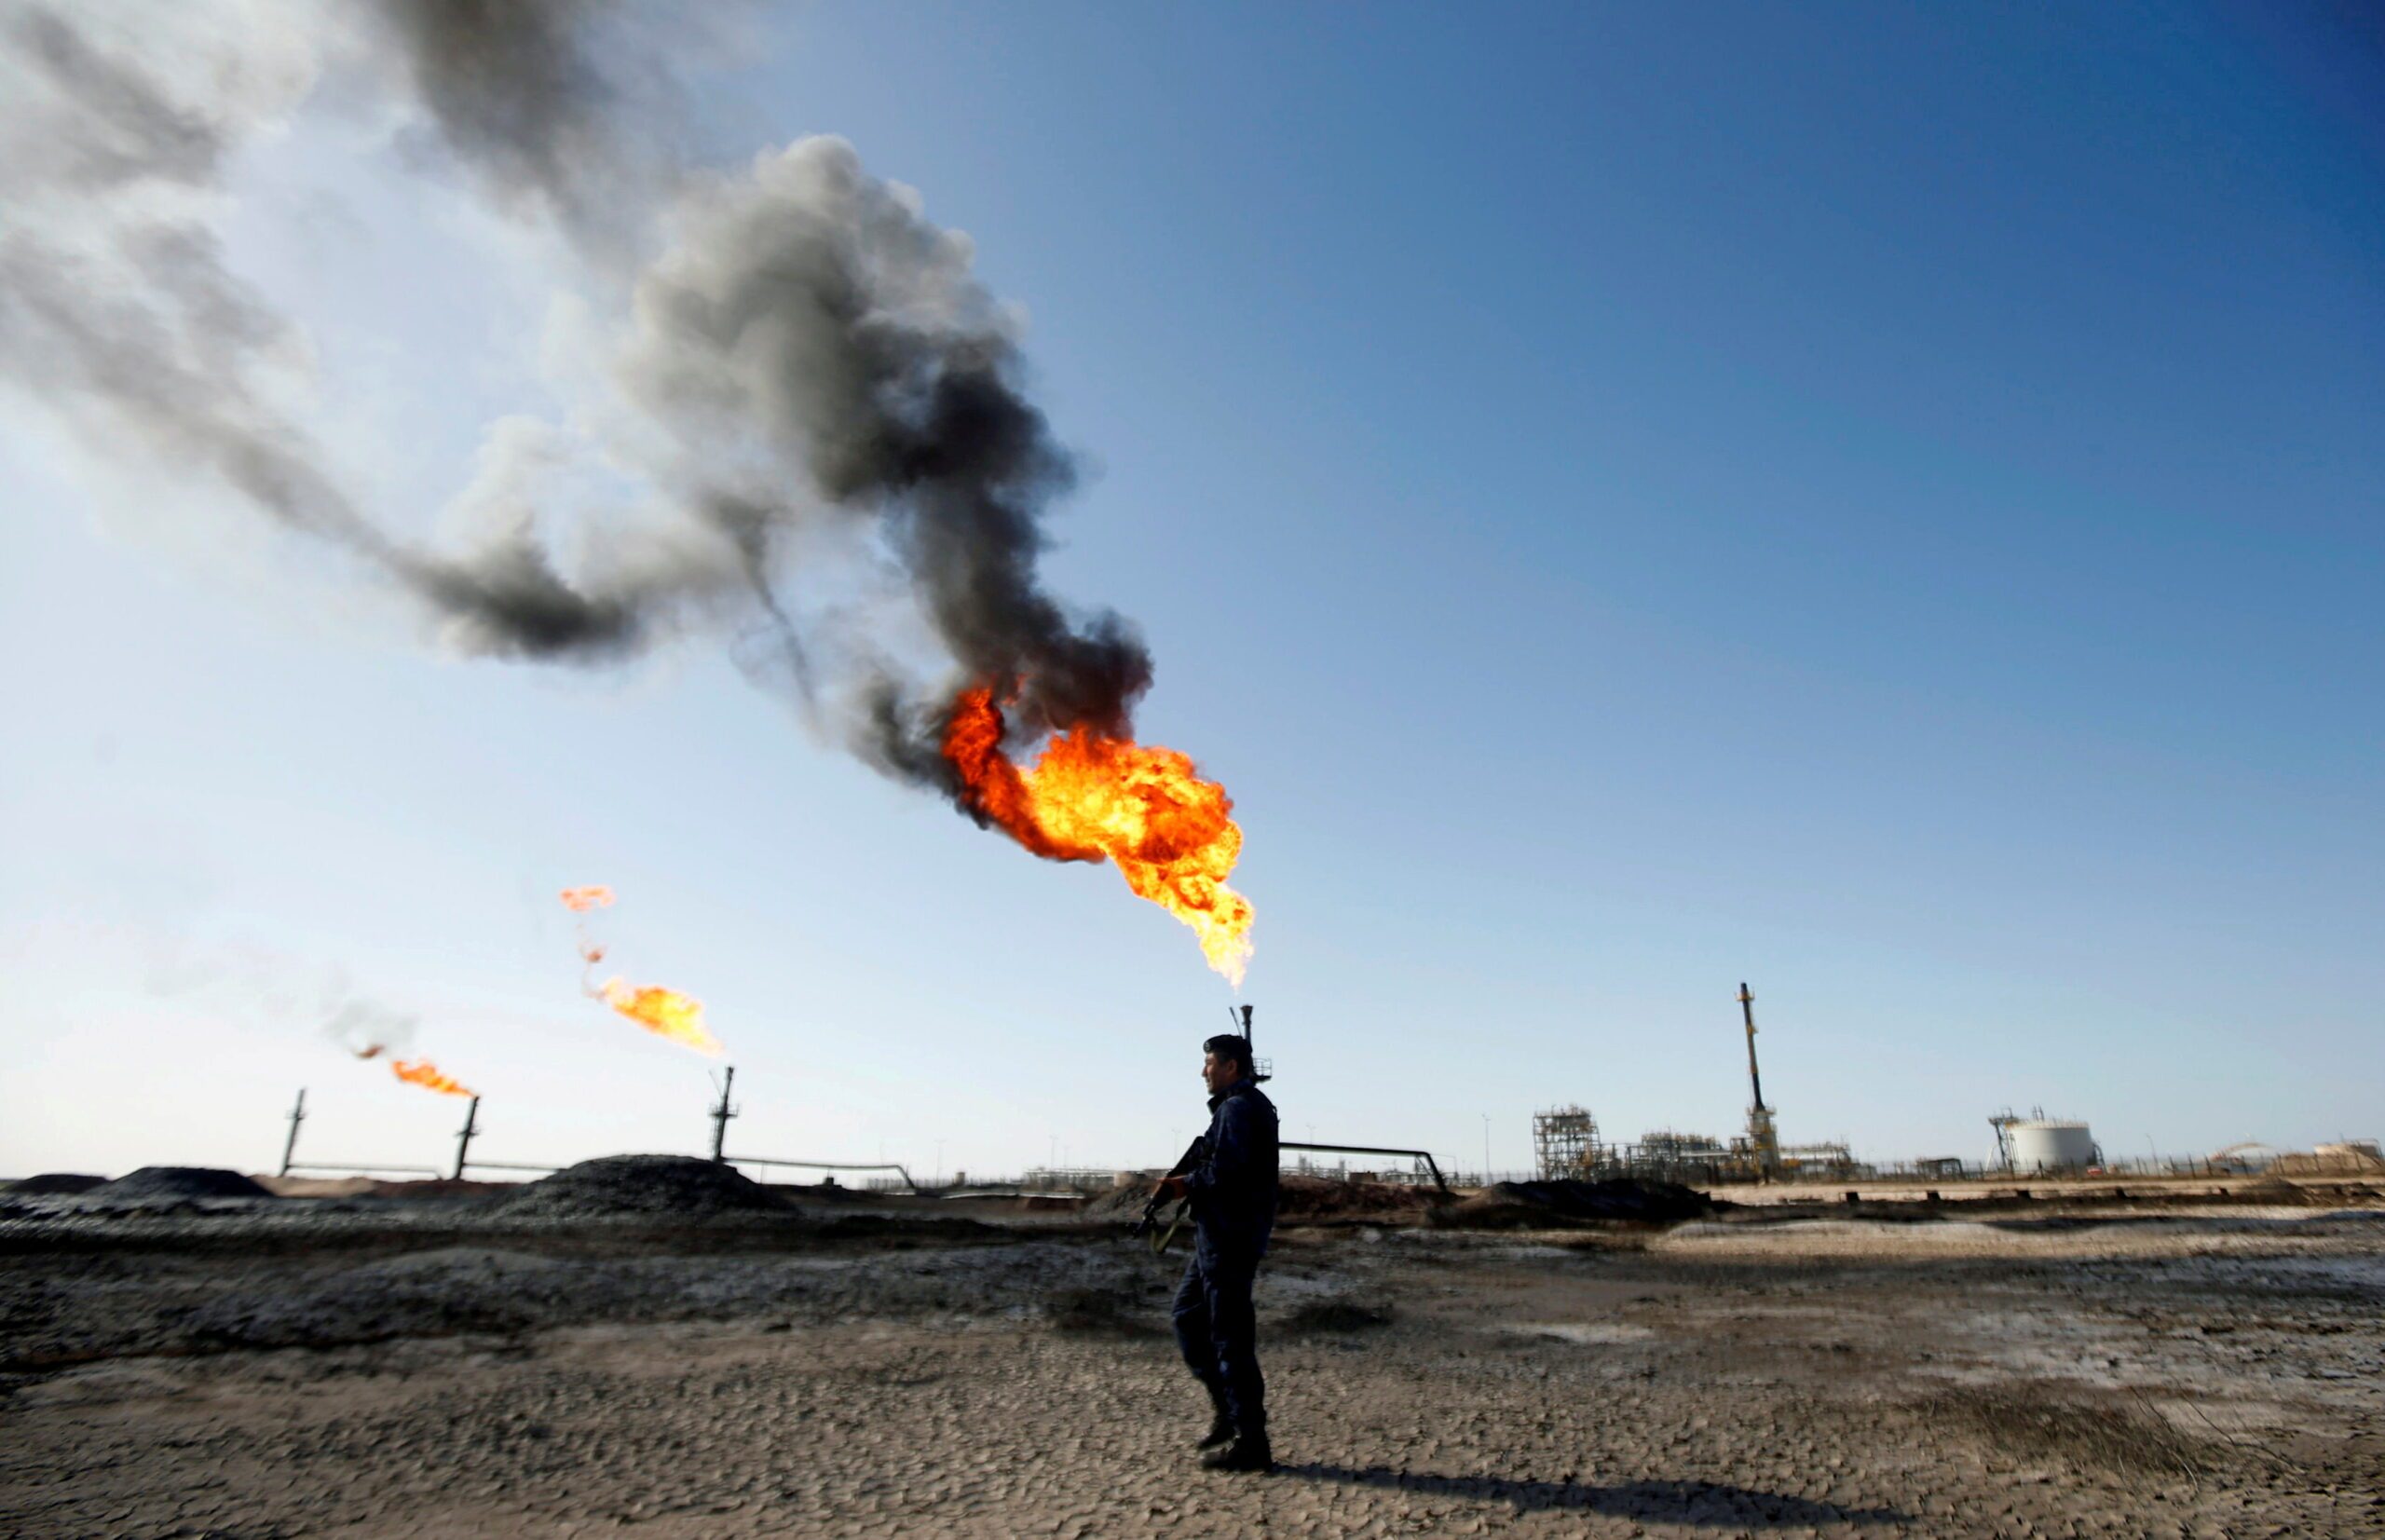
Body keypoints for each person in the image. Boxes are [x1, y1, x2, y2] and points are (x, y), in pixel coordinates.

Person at [1154, 1032, 1279, 1473]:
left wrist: (1183, 1186)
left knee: (1230, 1340)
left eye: (1209, 1064)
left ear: (1231, 1067)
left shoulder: (1240, 1109)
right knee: (1188, 1317)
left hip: (1230, 1239)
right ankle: (1228, 1411)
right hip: (1217, 1238)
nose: (1203, 1072)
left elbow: (1228, 1173)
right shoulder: (1237, 1109)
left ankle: (1252, 1442)